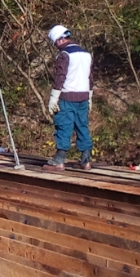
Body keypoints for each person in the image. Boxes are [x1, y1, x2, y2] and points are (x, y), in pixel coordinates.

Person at [46, 24, 93, 170]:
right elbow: (90, 77)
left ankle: (59, 161)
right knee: (82, 126)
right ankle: (86, 161)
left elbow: (60, 77)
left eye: (55, 44)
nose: (56, 47)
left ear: (59, 40)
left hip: (67, 97)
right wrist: (90, 96)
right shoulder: (86, 54)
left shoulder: (64, 55)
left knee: (63, 126)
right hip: (84, 96)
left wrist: (53, 98)